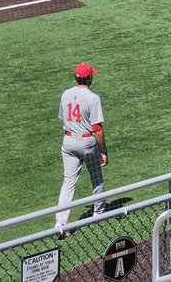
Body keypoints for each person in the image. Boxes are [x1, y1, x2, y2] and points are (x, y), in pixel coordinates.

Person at [55, 62, 108, 237]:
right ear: (90, 78)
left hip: (69, 142)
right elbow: (97, 129)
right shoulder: (93, 98)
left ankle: (60, 224)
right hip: (87, 144)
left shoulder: (65, 94)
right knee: (97, 178)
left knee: (68, 183)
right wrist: (103, 151)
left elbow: (64, 120)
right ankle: (99, 214)